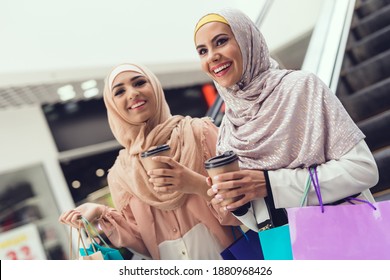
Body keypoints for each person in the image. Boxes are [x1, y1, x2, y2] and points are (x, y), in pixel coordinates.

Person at [193, 8, 379, 231]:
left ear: (246, 41)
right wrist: (238, 203)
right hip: (287, 249)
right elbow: (259, 222)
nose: (212, 56)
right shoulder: (228, 130)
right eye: (202, 51)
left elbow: (363, 170)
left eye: (221, 41)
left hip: (345, 234)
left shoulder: (301, 87)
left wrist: (271, 185)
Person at [59, 63, 241, 260]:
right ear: (112, 106)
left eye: (139, 82)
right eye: (119, 92)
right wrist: (100, 212)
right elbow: (143, 245)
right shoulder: (121, 174)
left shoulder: (200, 133)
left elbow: (243, 204)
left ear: (154, 87)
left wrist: (196, 185)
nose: (132, 93)